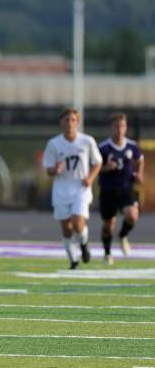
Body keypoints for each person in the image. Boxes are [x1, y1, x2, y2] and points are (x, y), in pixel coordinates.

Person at [42, 108, 102, 270]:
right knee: (66, 228)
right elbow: (48, 168)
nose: (70, 123)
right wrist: (55, 170)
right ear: (61, 123)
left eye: (73, 120)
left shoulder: (87, 141)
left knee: (77, 222)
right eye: (66, 120)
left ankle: (83, 244)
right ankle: (73, 260)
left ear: (78, 122)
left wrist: (90, 178)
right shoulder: (54, 144)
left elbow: (98, 162)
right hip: (61, 190)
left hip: (80, 189)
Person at [98, 113, 144, 265]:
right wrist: (106, 167)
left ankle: (123, 235)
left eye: (122, 126)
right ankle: (107, 253)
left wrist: (139, 174)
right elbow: (95, 168)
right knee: (108, 224)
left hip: (126, 188)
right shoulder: (103, 148)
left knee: (132, 216)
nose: (119, 129)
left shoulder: (131, 146)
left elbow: (140, 159)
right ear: (112, 128)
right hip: (108, 190)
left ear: (126, 128)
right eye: (116, 126)